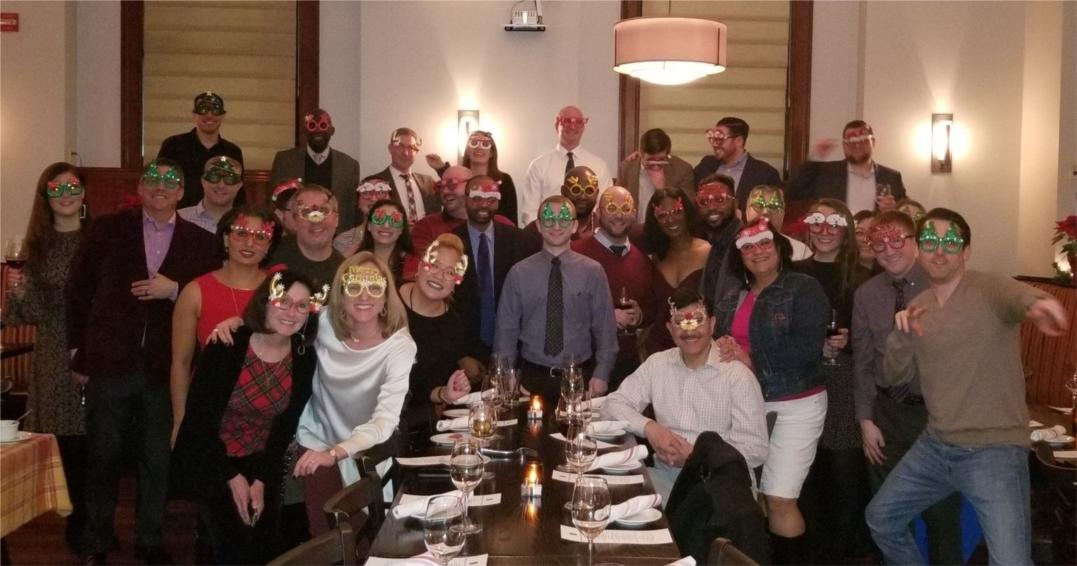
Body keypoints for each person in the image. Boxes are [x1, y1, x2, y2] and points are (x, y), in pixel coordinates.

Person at [867, 208, 1068, 565]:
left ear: (966, 251)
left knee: (1011, 562)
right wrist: (901, 336)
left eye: (950, 242)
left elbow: (1018, 296)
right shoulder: (919, 307)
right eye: (930, 242)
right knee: (881, 518)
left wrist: (1041, 304)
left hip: (994, 451)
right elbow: (895, 377)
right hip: (936, 446)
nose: (939, 250)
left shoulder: (987, 287)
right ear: (919, 250)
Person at [66, 158, 218, 564]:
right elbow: (78, 290)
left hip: (165, 369)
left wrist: (176, 289)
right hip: (109, 362)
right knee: (103, 457)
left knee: (156, 459)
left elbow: (208, 296)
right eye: (152, 179)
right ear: (140, 187)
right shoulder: (108, 229)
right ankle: (97, 541)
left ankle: (149, 540)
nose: (160, 186)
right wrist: (77, 351)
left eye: (170, 181)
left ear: (182, 192)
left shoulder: (201, 242)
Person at [172, 270, 320, 564]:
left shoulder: (304, 356)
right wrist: (231, 475)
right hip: (212, 456)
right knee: (232, 546)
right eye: (283, 301)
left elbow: (285, 426)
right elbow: (199, 422)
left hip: (261, 459)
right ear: (265, 301)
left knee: (265, 545)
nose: (292, 312)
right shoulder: (227, 344)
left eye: (302, 305)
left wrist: (262, 479)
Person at [712, 219, 830, 562]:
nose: (757, 251)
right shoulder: (732, 297)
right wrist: (724, 346)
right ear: (739, 256)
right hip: (745, 405)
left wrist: (749, 358)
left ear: (779, 247)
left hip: (796, 404)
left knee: (780, 498)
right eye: (747, 247)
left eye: (764, 243)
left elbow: (807, 348)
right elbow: (721, 342)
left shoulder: (804, 288)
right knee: (755, 499)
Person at [851, 211, 963, 565]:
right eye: (879, 243)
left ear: (915, 243)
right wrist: (866, 420)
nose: (888, 249)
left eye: (896, 240)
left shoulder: (942, 285)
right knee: (890, 514)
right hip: (886, 416)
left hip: (935, 415)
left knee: (941, 514)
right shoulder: (866, 294)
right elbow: (862, 362)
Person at [293, 252, 416, 536]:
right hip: (318, 438)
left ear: (386, 297)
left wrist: (338, 453)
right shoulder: (322, 322)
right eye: (354, 286)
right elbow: (277, 322)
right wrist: (238, 325)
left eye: (374, 287)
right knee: (327, 537)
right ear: (341, 292)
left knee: (371, 539)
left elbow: (385, 421)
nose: (364, 295)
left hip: (367, 448)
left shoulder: (400, 346)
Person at [605, 287, 768, 499]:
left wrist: (697, 456)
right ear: (669, 329)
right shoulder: (657, 365)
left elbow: (755, 449)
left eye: (697, 320)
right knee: (607, 496)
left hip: (720, 484)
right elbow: (612, 404)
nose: (689, 331)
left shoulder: (737, 376)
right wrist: (650, 428)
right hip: (666, 478)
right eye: (680, 322)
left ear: (712, 324)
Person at [3, 162, 91, 552]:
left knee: (98, 443)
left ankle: (95, 524)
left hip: (94, 347)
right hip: (54, 352)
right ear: (46, 195)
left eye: (73, 187)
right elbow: (30, 314)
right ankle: (78, 527)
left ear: (84, 193)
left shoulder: (98, 238)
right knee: (67, 444)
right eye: (58, 188)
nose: (66, 194)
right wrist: (18, 290)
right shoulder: (36, 246)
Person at [793, 199, 872, 564]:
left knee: (843, 472)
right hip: (803, 378)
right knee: (807, 473)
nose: (824, 230)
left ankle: (841, 554)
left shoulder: (863, 277)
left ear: (847, 230)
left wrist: (849, 340)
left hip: (843, 381)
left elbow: (876, 337)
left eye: (834, 223)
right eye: (817, 221)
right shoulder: (793, 273)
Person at [170, 206, 281, 445]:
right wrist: (180, 419)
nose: (249, 243)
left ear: (269, 245)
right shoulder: (195, 291)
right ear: (226, 238)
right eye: (241, 233)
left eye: (260, 237)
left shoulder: (280, 290)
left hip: (267, 407)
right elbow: (181, 362)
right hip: (210, 404)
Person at [495, 195, 618, 399]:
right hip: (530, 379)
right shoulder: (518, 273)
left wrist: (602, 373)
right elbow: (505, 331)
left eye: (564, 219)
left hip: (579, 378)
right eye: (549, 219)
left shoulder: (593, 272)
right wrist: (505, 373)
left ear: (574, 226)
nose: (556, 225)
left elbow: (605, 328)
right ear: (538, 225)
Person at [572, 186, 656, 391]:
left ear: (634, 214)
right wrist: (606, 317)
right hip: (584, 364)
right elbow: (563, 307)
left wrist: (640, 315)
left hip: (627, 367)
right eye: (611, 208)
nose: (619, 215)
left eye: (625, 209)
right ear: (598, 213)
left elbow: (653, 306)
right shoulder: (575, 253)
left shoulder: (643, 260)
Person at [399, 235, 475, 449]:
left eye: (450, 272)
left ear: (456, 282)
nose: (439, 275)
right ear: (420, 266)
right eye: (434, 265)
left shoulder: (453, 326)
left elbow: (428, 389)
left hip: (414, 426)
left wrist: (446, 393)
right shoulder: (386, 301)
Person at [452, 176, 529, 362]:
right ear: (465, 199)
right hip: (465, 351)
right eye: (477, 198)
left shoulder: (519, 240)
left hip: (514, 348)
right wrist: (461, 355)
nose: (484, 205)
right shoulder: (450, 242)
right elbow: (445, 305)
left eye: (491, 199)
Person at [641, 189, 710, 358]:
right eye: (662, 215)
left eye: (677, 211)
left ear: (687, 212)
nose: (671, 220)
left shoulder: (708, 252)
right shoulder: (656, 259)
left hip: (697, 347)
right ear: (655, 221)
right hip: (658, 350)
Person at [786, 120, 907, 213]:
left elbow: (906, 211)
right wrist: (815, 158)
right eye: (851, 143)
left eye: (863, 141)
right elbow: (793, 192)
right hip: (836, 234)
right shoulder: (826, 173)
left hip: (876, 236)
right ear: (844, 145)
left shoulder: (891, 177)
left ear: (873, 142)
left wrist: (894, 210)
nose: (857, 146)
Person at [270, 109, 362, 231]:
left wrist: (344, 237)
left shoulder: (349, 165)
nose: (318, 131)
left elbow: (351, 209)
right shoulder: (285, 160)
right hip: (294, 233)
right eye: (312, 126)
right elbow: (274, 200)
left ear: (332, 131)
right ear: (305, 131)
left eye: (323, 126)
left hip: (335, 234)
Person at [521, 106, 612, 225]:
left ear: (583, 127)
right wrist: (546, 234)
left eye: (578, 122)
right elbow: (530, 212)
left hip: (589, 233)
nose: (572, 126)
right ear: (556, 124)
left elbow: (605, 209)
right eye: (567, 121)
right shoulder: (538, 166)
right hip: (549, 233)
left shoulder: (599, 166)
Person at [157, 92, 244, 209]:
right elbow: (160, 182)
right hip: (179, 214)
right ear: (194, 115)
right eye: (203, 110)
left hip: (220, 217)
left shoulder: (233, 151)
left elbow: (239, 194)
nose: (209, 115)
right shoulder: (173, 145)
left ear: (223, 116)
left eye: (215, 110)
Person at [426, 130, 520, 226]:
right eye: (474, 143)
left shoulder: (504, 180)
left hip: (496, 232)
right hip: (459, 230)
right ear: (467, 152)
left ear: (491, 153)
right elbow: (450, 206)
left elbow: (511, 218)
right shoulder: (460, 179)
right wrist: (442, 169)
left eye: (485, 144)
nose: (479, 148)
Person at [692, 117, 782, 212]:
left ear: (739, 141)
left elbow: (773, 210)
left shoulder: (765, 173)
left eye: (720, 139)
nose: (715, 144)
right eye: (712, 139)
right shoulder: (707, 165)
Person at [403, 166, 475, 279]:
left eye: (452, 184)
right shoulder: (426, 226)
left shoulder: (499, 225)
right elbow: (413, 275)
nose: (445, 191)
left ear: (473, 186)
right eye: (441, 186)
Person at [268, 184, 344, 289]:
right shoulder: (270, 255)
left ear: (336, 219)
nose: (316, 221)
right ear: (295, 221)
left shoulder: (345, 271)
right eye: (306, 212)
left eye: (323, 211)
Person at [619, 128, 695, 220]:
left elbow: (689, 209)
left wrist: (663, 190)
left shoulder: (682, 170)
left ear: (668, 155)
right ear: (641, 153)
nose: (655, 165)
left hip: (667, 226)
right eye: (650, 160)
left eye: (661, 159)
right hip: (634, 226)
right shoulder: (627, 168)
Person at [370, 128, 439, 225]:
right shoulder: (374, 183)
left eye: (411, 147)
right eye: (400, 146)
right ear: (390, 148)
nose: (405, 153)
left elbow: (452, 201)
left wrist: (441, 169)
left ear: (416, 152)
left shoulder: (428, 182)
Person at [697, 174, 745, 312]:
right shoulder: (715, 242)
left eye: (719, 199)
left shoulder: (745, 244)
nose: (712, 207)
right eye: (704, 201)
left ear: (736, 203)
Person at [523, 165, 601, 249]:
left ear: (596, 194)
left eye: (589, 190)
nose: (582, 196)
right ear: (563, 191)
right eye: (575, 190)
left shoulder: (604, 229)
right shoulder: (539, 229)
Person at [743, 185, 812, 261]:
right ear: (747, 212)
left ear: (782, 214)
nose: (765, 212)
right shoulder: (733, 250)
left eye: (773, 206)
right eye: (759, 205)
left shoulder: (800, 252)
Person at [178, 156, 245, 234]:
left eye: (230, 179)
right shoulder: (179, 218)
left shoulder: (247, 223)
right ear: (203, 181)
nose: (221, 185)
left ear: (239, 185)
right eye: (214, 177)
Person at [334, 176, 393, 257]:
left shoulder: (402, 235)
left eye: (381, 192)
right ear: (358, 202)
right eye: (366, 192)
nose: (373, 199)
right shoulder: (343, 239)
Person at [359, 199, 412, 285]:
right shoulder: (356, 262)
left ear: (401, 230)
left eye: (394, 220)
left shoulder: (412, 263)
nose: (386, 226)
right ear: (369, 225)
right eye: (379, 219)